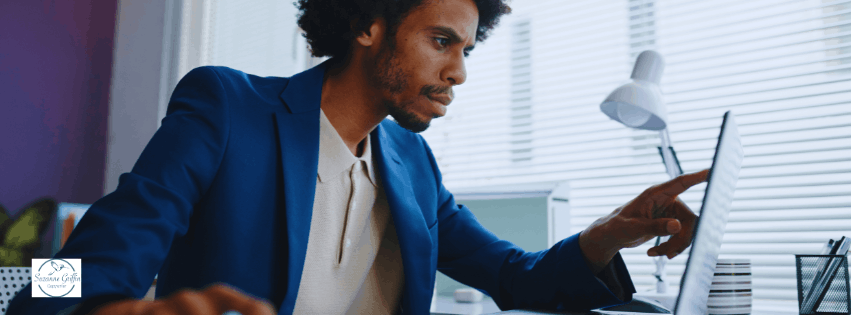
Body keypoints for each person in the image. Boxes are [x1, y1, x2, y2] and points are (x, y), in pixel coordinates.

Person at [7, 0, 708, 314]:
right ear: (369, 25)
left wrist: (609, 232)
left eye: (467, 49)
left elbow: (513, 277)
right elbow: (95, 254)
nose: (459, 72)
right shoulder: (227, 108)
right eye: (441, 41)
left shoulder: (411, 163)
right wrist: (74, 305)